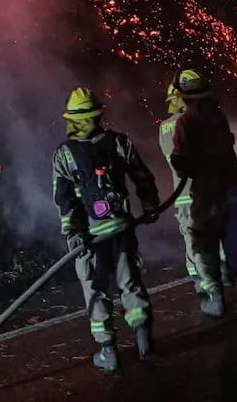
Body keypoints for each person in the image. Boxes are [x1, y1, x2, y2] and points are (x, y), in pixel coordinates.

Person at [53, 86, 162, 372]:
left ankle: (108, 352)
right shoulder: (118, 142)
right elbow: (142, 176)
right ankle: (144, 340)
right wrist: (150, 206)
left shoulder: (64, 155)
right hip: (122, 228)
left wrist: (72, 234)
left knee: (95, 289)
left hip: (90, 236)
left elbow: (63, 200)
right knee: (130, 282)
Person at [158, 69, 237, 320]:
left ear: (179, 97)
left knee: (201, 247)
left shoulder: (176, 124)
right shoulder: (218, 117)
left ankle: (214, 297)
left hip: (202, 197)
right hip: (234, 191)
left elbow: (179, 161)